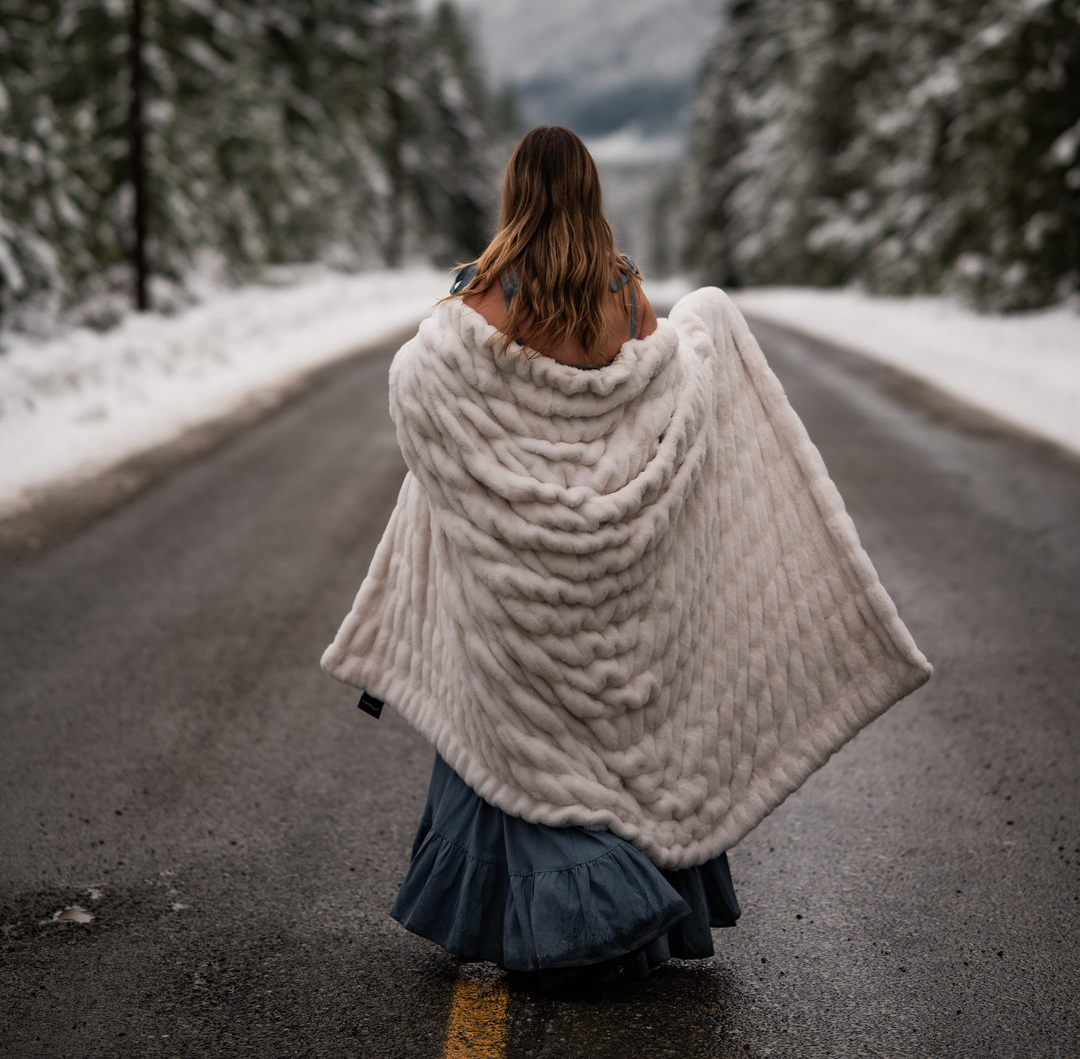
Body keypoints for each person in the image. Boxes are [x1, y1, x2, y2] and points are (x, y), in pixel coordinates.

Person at [321, 125, 931, 994]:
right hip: (613, 586)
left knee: (515, 740)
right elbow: (664, 401)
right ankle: (639, 897)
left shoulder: (479, 298)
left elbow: (426, 400)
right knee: (613, 744)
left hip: (516, 583)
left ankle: (576, 916)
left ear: (516, 193)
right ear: (590, 191)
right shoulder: (628, 293)